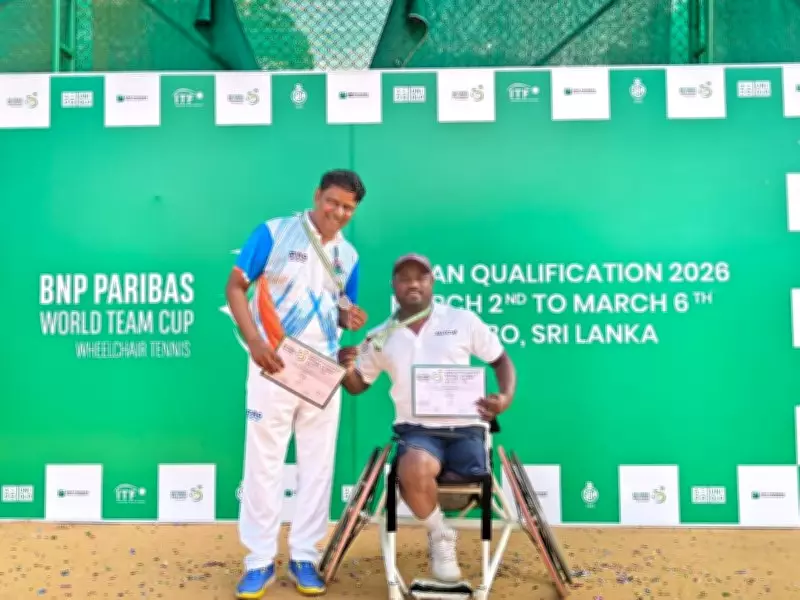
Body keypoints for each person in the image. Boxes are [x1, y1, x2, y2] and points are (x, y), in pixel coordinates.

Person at [226, 169, 369, 599]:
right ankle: (259, 560)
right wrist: (255, 342)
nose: (338, 212)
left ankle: (305, 555)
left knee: (318, 465)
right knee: (264, 463)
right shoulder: (274, 232)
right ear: (317, 195)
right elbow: (235, 287)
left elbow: (341, 309)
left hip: (320, 371)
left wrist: (349, 318)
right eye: (332, 202)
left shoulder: (349, 255)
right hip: (272, 363)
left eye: (348, 208)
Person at [337, 253, 517, 584]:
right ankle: (440, 534)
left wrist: (504, 398)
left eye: (421, 277)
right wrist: (346, 369)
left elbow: (501, 360)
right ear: (394, 286)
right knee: (413, 467)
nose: (413, 284)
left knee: (467, 474)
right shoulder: (380, 336)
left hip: (467, 429)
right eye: (404, 278)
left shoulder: (462, 320)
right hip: (417, 431)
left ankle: (440, 527)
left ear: (432, 282)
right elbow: (358, 385)